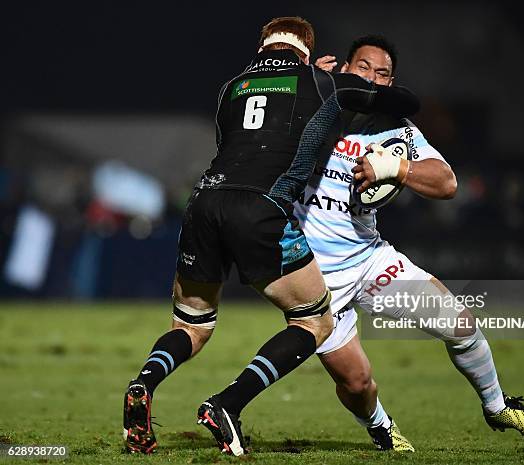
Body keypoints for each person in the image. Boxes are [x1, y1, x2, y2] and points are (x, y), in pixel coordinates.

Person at [122, 19, 421, 456]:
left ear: (264, 45)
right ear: (306, 50)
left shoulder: (231, 86)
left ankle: (143, 383)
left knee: (191, 326)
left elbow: (232, 143)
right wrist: (333, 80)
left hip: (204, 202)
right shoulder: (321, 81)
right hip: (260, 208)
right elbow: (404, 101)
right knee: (314, 321)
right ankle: (228, 403)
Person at [293, 35, 524, 451]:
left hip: (369, 260)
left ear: (393, 83)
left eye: (383, 73)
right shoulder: (307, 110)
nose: (373, 79)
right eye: (364, 68)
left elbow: (446, 182)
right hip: (311, 279)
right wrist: (305, 81)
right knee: (358, 383)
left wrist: (396, 166)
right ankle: (380, 427)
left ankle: (498, 405)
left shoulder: (395, 128)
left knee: (461, 325)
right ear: (344, 68)